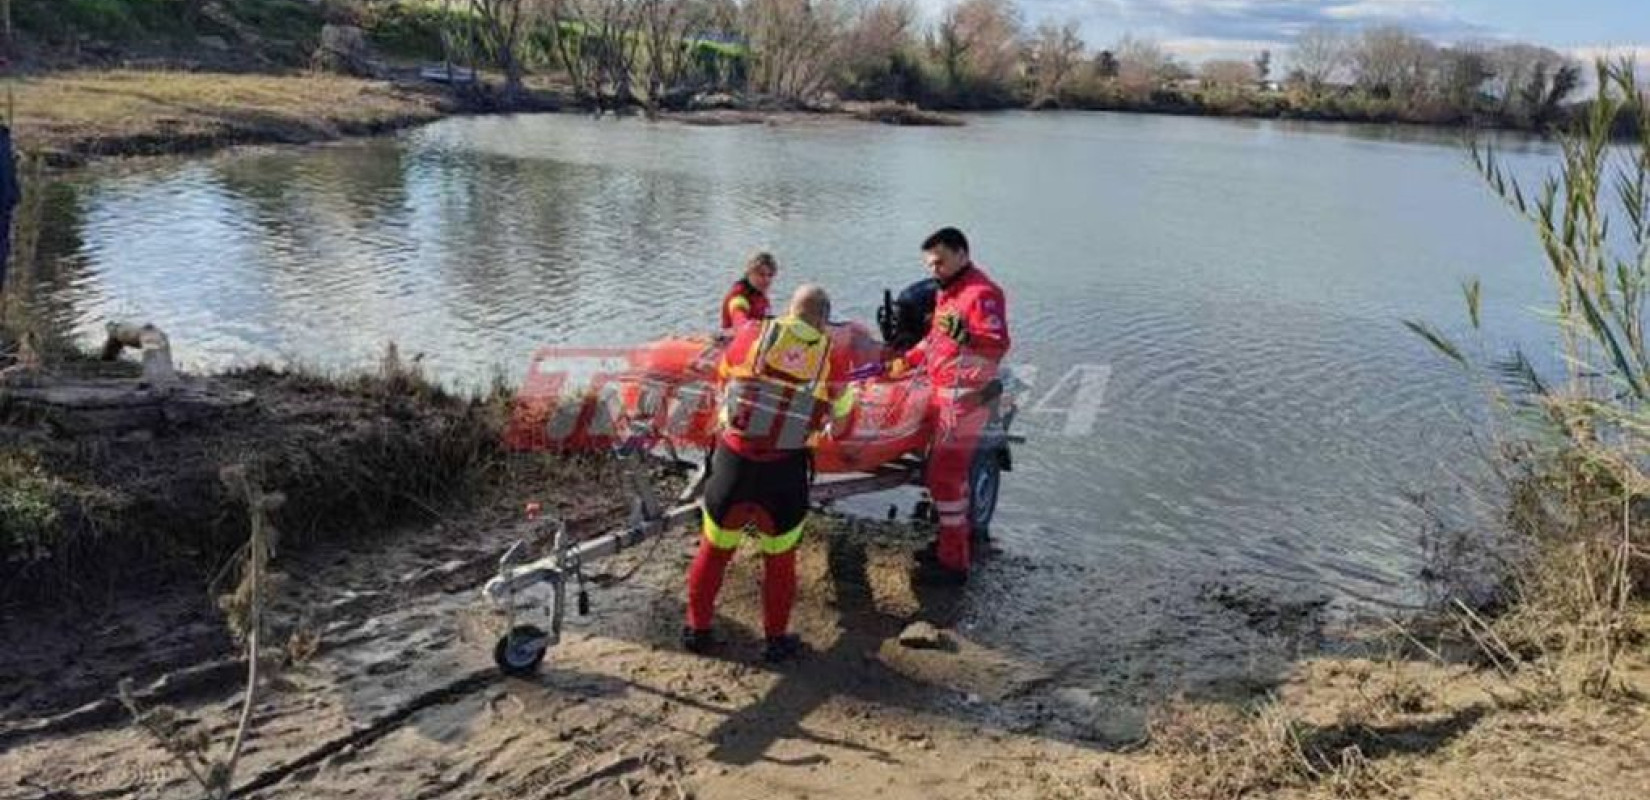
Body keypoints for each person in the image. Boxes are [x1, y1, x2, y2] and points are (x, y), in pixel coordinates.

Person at [685, 284, 857, 662]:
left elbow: (723, 380)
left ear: (789, 311)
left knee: (714, 551)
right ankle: (775, 641)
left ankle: (697, 630)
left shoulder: (751, 333)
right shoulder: (833, 356)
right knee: (780, 560)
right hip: (784, 471)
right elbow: (844, 422)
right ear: (825, 320)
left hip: (733, 463)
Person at [887, 227, 1011, 585]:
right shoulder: (948, 292)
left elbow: (997, 344)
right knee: (939, 475)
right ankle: (946, 544)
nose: (933, 269)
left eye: (939, 261)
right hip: (942, 392)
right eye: (929, 263)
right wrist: (906, 361)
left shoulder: (982, 294)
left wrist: (967, 336)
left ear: (961, 253)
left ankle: (954, 563)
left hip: (966, 400)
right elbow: (934, 342)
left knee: (945, 477)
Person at [720, 252, 777, 330]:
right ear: (749, 273)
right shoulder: (738, 296)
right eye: (761, 274)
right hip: (736, 338)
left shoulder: (760, 295)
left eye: (770, 275)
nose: (767, 280)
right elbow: (739, 320)